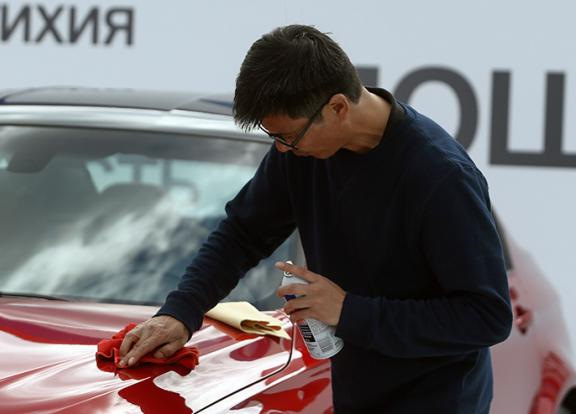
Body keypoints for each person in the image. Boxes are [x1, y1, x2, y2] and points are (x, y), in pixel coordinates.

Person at [118, 24, 513, 413]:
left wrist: (348, 311)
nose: (281, 149)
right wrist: (180, 312)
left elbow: (486, 316)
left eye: (288, 136)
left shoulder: (440, 177)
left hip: (439, 400)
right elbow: (243, 233)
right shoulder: (302, 152)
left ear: (337, 107)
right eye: (272, 137)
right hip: (357, 392)